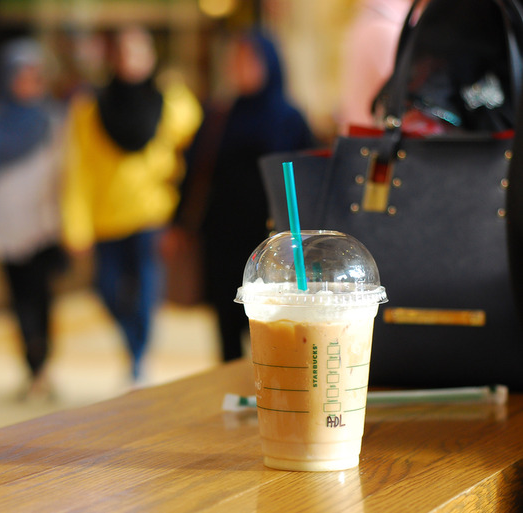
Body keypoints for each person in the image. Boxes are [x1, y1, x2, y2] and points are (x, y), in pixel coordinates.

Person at [61, 25, 202, 383]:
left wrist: (182, 214)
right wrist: (75, 225)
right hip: (106, 218)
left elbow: (195, 151)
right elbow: (79, 170)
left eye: (137, 52)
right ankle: (133, 345)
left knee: (146, 293)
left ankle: (138, 358)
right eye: (123, 53)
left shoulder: (172, 102)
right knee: (105, 289)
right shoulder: (91, 108)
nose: (129, 61)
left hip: (151, 214)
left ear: (151, 58)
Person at [168, 30, 314, 363]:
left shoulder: (289, 118)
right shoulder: (219, 114)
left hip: (269, 236)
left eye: (249, 59)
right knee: (225, 315)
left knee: (272, 318)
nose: (239, 68)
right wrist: (179, 223)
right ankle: (233, 383)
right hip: (221, 234)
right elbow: (195, 170)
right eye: (235, 60)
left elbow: (304, 177)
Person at [0, 38, 66, 399]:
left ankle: (44, 362)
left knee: (43, 295)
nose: (28, 82)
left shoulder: (53, 119)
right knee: (18, 298)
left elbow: (64, 172)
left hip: (44, 224)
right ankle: (32, 366)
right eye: (20, 74)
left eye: (34, 75)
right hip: (4, 225)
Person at [336, 0, 413, 134]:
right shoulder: (384, 29)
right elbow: (409, 101)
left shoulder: (376, 20)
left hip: (366, 143)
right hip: (372, 145)